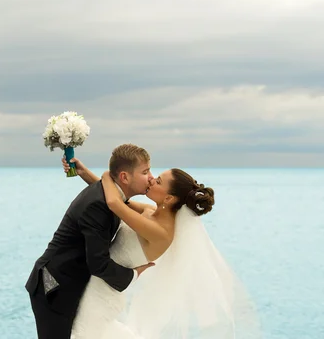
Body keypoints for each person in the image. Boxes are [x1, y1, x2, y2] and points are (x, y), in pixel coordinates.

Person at [63, 156, 261, 339]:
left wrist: (110, 174)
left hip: (102, 296)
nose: (151, 180)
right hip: (101, 284)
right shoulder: (151, 212)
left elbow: (115, 203)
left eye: (158, 181)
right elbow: (119, 197)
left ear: (169, 199)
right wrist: (84, 173)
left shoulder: (161, 232)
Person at [25, 144, 156, 339]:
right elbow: (97, 263)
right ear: (124, 177)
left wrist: (84, 173)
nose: (152, 177)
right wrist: (133, 274)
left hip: (65, 282)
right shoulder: (98, 205)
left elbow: (111, 196)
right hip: (52, 285)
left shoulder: (111, 195)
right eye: (145, 172)